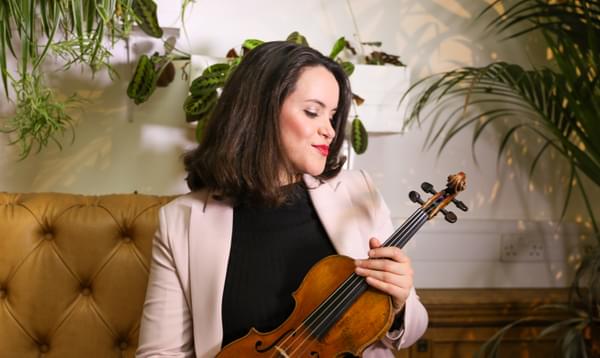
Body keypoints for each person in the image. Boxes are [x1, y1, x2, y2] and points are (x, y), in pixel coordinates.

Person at [136, 41, 428, 357]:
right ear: (260, 110)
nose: (329, 130)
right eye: (313, 112)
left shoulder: (359, 192)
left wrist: (399, 304)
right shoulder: (182, 221)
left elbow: (410, 331)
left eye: (332, 116)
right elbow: (160, 352)